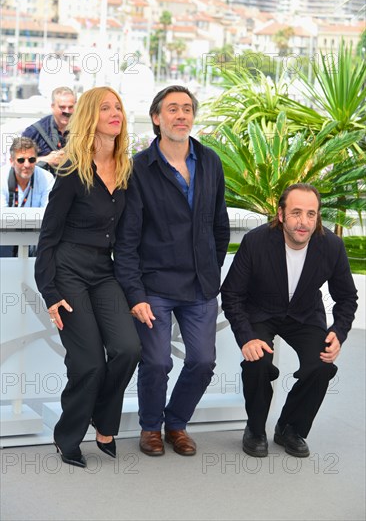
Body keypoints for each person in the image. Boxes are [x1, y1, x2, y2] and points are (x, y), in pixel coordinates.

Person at [114, 85, 230, 457]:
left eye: (187, 109)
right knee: (157, 361)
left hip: (200, 284)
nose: (181, 115)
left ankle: (177, 423)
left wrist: (211, 269)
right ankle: (151, 427)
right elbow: (127, 240)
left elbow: (219, 225)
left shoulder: (210, 161)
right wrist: (136, 294)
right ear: (156, 118)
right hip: (155, 285)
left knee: (202, 361)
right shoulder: (138, 168)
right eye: (173, 109)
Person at [34, 86, 141, 469]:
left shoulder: (127, 169)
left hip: (104, 271)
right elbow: (47, 238)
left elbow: (128, 237)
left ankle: (105, 420)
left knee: (129, 348)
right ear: (90, 117)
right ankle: (68, 436)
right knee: (89, 363)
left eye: (119, 106)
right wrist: (50, 292)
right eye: (105, 107)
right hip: (68, 272)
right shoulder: (70, 169)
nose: (115, 112)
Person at [220, 183, 358, 458]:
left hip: (305, 315)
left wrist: (338, 333)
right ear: (281, 215)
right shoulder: (256, 241)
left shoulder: (331, 245)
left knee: (321, 366)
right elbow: (232, 294)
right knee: (257, 361)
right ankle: (255, 429)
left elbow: (347, 298)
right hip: (262, 311)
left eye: (311, 214)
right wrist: (247, 337)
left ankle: (289, 428)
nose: (303, 222)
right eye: (296, 213)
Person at [0, 137, 55, 256]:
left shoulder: (47, 178)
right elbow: (2, 217)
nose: (27, 165)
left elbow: (49, 215)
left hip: (37, 236)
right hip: (5, 236)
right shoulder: (1, 177)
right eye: (21, 160)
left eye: (31, 159)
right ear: (11, 161)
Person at [22, 86, 76, 173]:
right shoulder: (34, 132)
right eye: (62, 107)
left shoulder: (82, 129)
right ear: (52, 106)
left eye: (70, 107)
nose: (67, 111)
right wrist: (46, 160)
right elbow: (19, 162)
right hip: (44, 184)